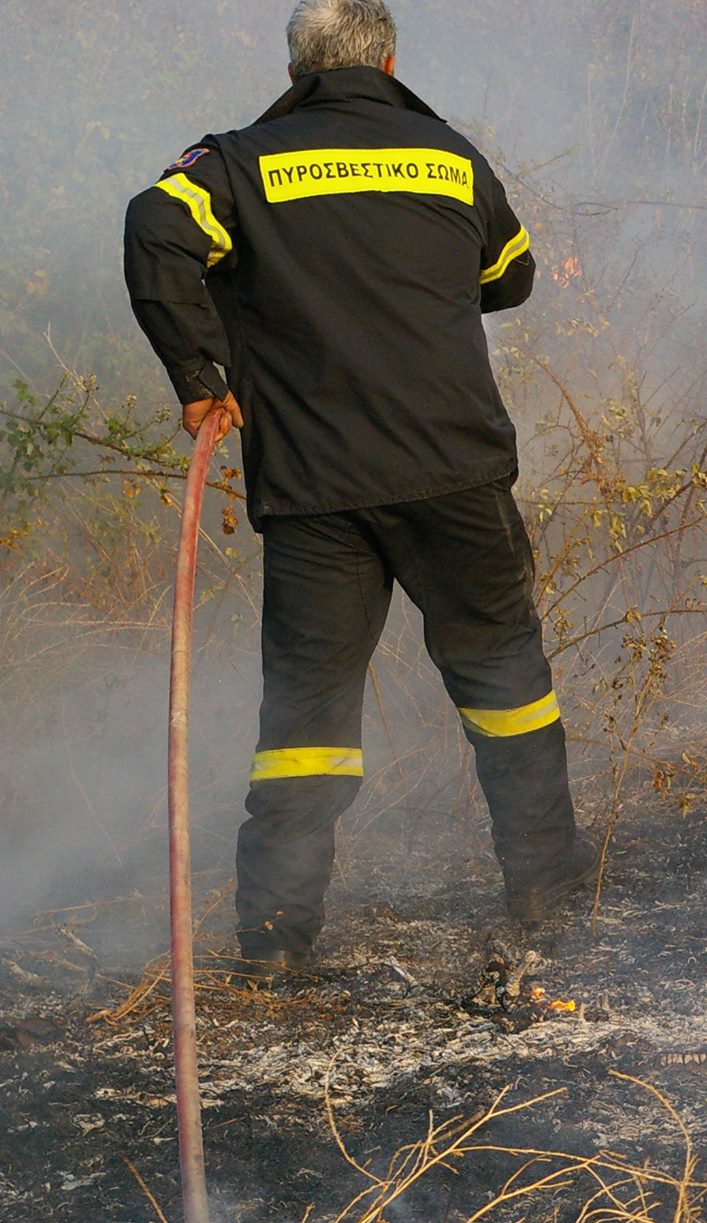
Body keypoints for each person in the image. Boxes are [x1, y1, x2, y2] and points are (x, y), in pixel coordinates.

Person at [123, 0, 592, 985]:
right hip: (452, 472)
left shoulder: (242, 162)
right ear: (386, 58)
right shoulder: (446, 154)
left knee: (305, 719)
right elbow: (508, 276)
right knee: (505, 681)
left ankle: (276, 942)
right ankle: (551, 905)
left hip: (315, 490)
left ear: (298, 68)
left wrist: (203, 375)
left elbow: (153, 227)